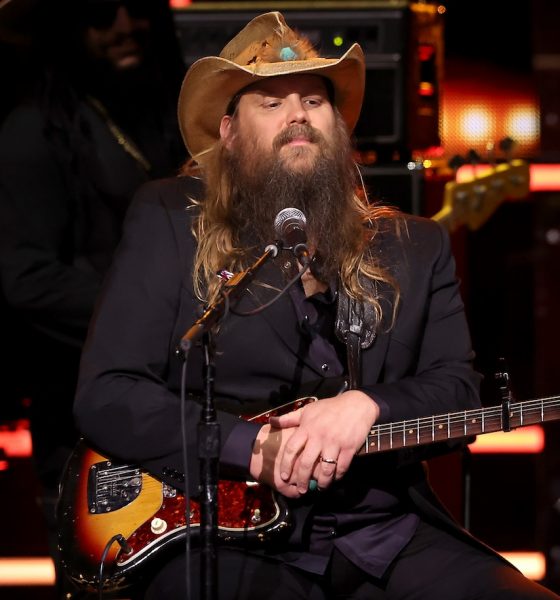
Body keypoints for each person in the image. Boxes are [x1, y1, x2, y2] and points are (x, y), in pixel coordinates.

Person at [71, 11, 559, 600]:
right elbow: (107, 392)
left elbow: (456, 386)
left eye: (313, 100)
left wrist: (367, 406)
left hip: (384, 533)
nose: (298, 113)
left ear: (338, 128)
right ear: (228, 133)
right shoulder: (173, 221)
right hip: (221, 536)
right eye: (270, 103)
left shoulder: (415, 245)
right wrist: (250, 447)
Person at [0, 0, 186, 595]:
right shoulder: (35, 128)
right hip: (83, 412)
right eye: (102, 12)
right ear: (70, 27)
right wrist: (150, 313)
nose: (124, 28)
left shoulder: (168, 113)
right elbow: (26, 279)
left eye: (138, 10)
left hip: (179, 401)